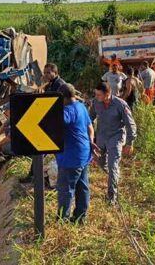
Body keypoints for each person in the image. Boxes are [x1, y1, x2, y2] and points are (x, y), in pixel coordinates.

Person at [90, 82, 137, 205]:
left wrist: (129, 142)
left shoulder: (120, 104)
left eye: (99, 95)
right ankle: (113, 174)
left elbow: (130, 124)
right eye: (96, 94)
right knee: (101, 162)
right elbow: (90, 118)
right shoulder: (96, 103)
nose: (96, 97)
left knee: (113, 165)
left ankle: (112, 198)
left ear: (107, 94)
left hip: (116, 137)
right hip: (101, 137)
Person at [56, 84, 96, 224]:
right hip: (83, 153)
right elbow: (90, 126)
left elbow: (55, 123)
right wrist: (91, 141)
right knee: (82, 186)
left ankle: (63, 220)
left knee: (66, 189)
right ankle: (80, 217)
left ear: (62, 97)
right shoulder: (81, 106)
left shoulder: (67, 111)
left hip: (71, 157)